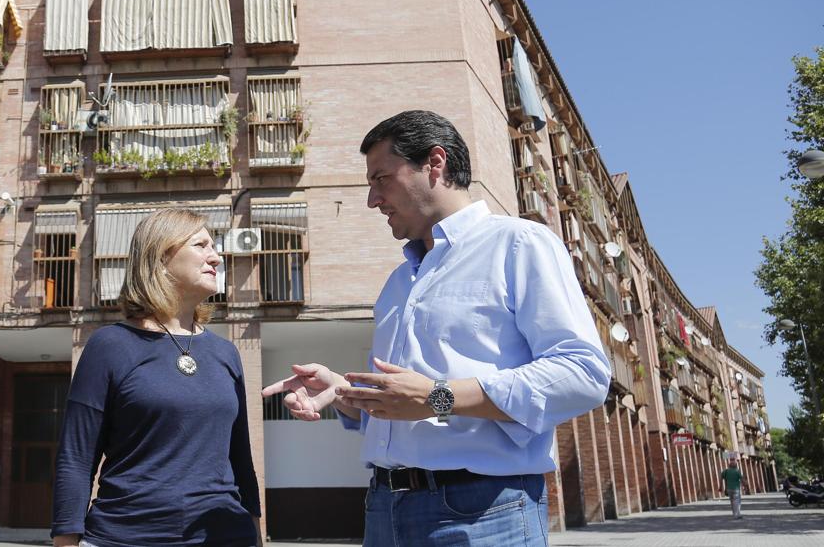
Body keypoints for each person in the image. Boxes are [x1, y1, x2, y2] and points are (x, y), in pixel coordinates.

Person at [263, 110, 611, 546]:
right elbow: (408, 406)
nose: (373, 201)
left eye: (381, 179)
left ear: (435, 163)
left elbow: (583, 376)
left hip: (482, 514)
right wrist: (346, 396)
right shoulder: (398, 282)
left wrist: (438, 397)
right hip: (383, 510)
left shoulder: (519, 244)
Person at [51, 208, 261, 547]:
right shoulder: (111, 345)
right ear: (161, 257)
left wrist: (255, 534)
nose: (217, 257)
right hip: (125, 537)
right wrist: (66, 541)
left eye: (215, 246)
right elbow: (76, 457)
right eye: (201, 245)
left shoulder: (226, 353)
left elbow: (240, 459)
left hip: (225, 536)